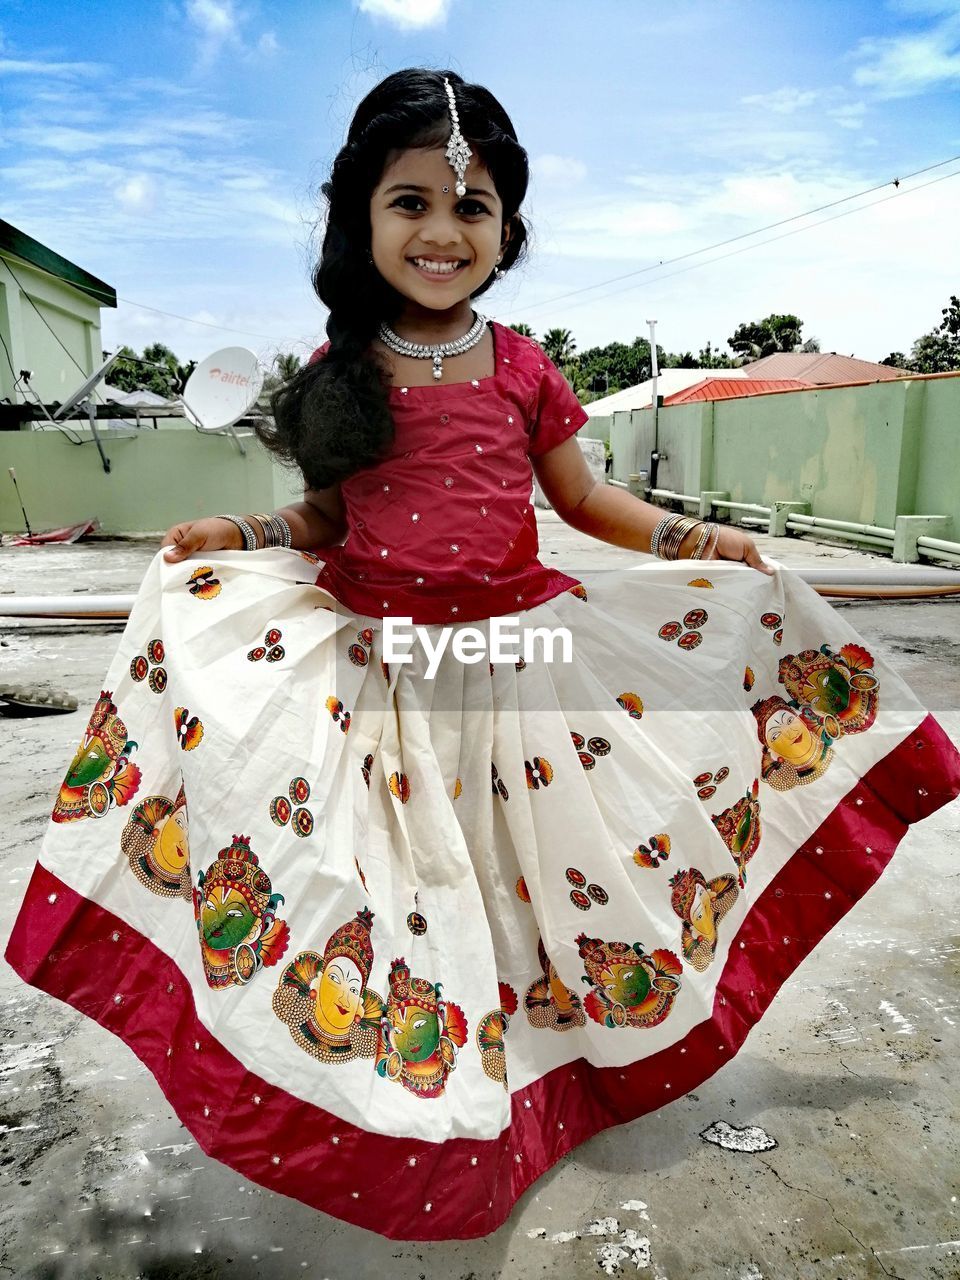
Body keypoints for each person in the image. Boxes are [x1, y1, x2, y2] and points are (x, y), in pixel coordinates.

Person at [6, 68, 959, 1242]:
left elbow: (582, 497)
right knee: (396, 893)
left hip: (527, 655)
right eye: (412, 201)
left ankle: (553, 1068)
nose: (443, 230)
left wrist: (691, 539)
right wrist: (242, 535)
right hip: (376, 669)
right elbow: (322, 520)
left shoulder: (522, 366)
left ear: (508, 228)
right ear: (360, 216)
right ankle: (420, 1098)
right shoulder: (335, 371)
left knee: (539, 878)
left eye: (475, 206)